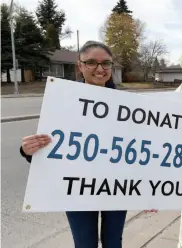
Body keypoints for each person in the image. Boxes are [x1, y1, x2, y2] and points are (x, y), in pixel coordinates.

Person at [19, 41, 131, 248]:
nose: (100, 69)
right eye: (91, 63)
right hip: (77, 187)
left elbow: (145, 147)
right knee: (84, 243)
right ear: (79, 66)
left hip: (116, 185)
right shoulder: (62, 98)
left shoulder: (129, 106)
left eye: (106, 63)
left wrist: (151, 193)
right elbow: (50, 143)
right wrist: (28, 150)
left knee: (114, 242)